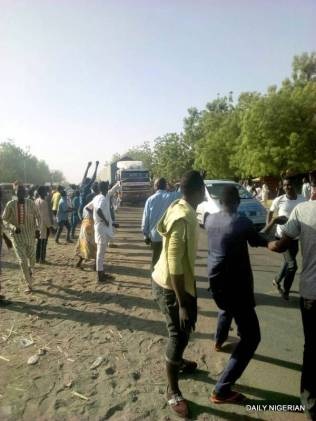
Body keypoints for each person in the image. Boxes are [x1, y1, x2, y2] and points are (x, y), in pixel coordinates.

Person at [205, 185, 281, 404]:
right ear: (237, 202)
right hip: (237, 288)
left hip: (216, 283)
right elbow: (263, 241)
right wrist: (278, 229)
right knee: (251, 338)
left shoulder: (210, 219)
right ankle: (222, 390)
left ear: (220, 202)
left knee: (225, 310)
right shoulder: (241, 222)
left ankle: (219, 341)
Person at [151, 170, 205, 419]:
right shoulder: (182, 215)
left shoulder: (180, 205)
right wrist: (182, 302)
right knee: (178, 334)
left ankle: (179, 363)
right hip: (170, 286)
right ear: (198, 191)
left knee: (186, 328)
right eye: (203, 187)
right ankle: (172, 390)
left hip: (180, 283)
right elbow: (173, 262)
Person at [268, 197, 316, 420]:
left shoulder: (303, 210)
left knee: (313, 349)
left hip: (312, 293)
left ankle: (311, 405)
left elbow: (280, 245)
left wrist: (265, 241)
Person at [267, 177, 305, 300]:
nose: (287, 187)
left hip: (295, 237)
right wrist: (268, 226)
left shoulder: (302, 199)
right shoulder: (279, 200)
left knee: (287, 261)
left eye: (289, 185)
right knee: (292, 265)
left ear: (294, 185)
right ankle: (286, 290)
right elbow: (270, 212)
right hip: (282, 237)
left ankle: (276, 280)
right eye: (284, 185)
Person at [2, 183, 40, 294]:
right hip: (17, 237)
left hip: (30, 236)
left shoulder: (31, 203)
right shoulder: (11, 204)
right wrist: (13, 227)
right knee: (22, 261)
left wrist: (37, 229)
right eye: (19, 191)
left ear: (26, 192)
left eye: (23, 191)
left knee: (32, 260)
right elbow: (4, 219)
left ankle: (29, 271)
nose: (21, 193)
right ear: (15, 192)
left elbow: (38, 216)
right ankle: (29, 284)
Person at [142, 178, 181, 270]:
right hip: (168, 236)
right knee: (167, 262)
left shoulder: (150, 200)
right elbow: (181, 193)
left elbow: (145, 219)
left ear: (155, 187)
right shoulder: (172, 196)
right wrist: (173, 186)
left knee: (155, 261)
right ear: (165, 186)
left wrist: (145, 236)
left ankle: (154, 281)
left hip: (155, 237)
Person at [85, 180, 121, 282]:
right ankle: (100, 276)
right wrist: (104, 220)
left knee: (101, 252)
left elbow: (88, 208)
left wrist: (108, 222)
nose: (108, 188)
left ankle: (101, 273)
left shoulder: (98, 197)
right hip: (101, 227)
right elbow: (99, 210)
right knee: (100, 253)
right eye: (107, 186)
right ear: (105, 188)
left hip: (100, 226)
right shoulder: (101, 198)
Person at [35, 186, 53, 263]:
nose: (46, 192)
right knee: (43, 243)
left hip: (37, 224)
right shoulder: (44, 202)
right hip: (43, 225)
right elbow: (45, 217)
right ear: (42, 192)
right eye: (45, 191)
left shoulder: (36, 200)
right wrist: (50, 226)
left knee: (39, 243)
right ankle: (42, 259)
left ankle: (37, 258)